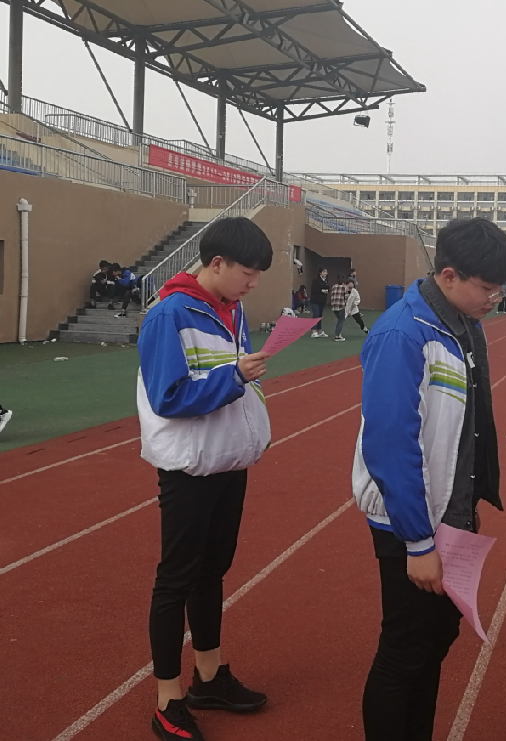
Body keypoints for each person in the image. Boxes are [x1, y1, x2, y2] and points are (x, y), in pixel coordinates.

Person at [354, 217, 506, 741]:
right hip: (412, 521)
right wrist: (418, 542)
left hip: (451, 510)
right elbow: (391, 442)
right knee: (405, 650)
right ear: (449, 275)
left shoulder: (462, 324)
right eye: (487, 288)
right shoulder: (403, 333)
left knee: (434, 641)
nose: (494, 299)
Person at [137, 217, 273, 741]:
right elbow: (168, 396)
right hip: (189, 468)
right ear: (217, 263)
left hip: (228, 461)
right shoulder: (168, 314)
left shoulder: (230, 309)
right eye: (247, 272)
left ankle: (209, 677)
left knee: (212, 571)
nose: (252, 283)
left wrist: (242, 378)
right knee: (176, 579)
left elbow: (228, 378)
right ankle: (167, 699)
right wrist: (234, 376)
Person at [330, 276, 352, 341]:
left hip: (334, 306)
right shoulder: (344, 287)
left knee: (340, 320)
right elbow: (347, 296)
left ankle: (338, 334)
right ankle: (337, 335)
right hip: (341, 306)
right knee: (341, 320)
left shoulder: (334, 286)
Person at [310, 267, 329, 337]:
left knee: (320, 315)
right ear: (320, 273)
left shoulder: (326, 281)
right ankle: (313, 331)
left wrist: (327, 291)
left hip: (322, 301)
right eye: (324, 272)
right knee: (316, 314)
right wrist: (321, 290)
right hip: (315, 301)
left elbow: (328, 288)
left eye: (326, 272)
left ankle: (319, 330)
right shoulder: (315, 280)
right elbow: (313, 289)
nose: (325, 273)